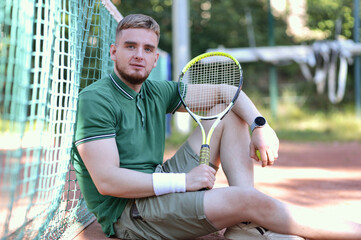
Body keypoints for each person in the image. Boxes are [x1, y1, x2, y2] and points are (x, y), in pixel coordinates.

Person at [71, 14, 361, 240]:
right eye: (130, 46)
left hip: (154, 183)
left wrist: (260, 125)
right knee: (248, 199)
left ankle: (245, 225)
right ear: (113, 52)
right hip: (130, 214)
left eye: (148, 49)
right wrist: (184, 182)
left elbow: (226, 92)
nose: (139, 55)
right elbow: (108, 181)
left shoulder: (155, 91)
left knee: (230, 113)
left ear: (155, 58)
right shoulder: (95, 100)